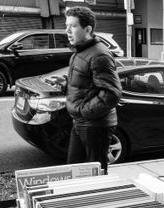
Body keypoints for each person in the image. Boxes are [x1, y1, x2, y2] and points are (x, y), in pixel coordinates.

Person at [47, 6, 122, 172]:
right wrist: (66, 84)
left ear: (87, 29)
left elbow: (112, 93)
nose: (67, 30)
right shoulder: (79, 52)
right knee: (75, 169)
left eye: (73, 26)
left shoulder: (99, 55)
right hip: (81, 122)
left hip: (95, 125)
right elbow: (87, 86)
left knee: (94, 172)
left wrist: (83, 111)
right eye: (66, 25)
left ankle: (97, 198)